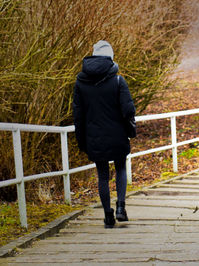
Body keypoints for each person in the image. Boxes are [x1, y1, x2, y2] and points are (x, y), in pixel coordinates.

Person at [73, 40, 135, 228]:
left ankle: (108, 216)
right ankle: (120, 208)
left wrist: (81, 140)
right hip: (117, 134)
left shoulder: (80, 82)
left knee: (102, 175)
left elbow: (78, 115)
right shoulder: (118, 80)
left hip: (94, 136)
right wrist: (130, 129)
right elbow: (128, 109)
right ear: (110, 57)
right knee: (121, 168)